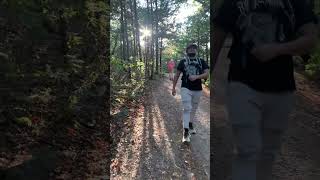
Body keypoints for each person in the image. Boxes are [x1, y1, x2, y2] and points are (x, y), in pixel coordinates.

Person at [213, 0, 318, 180]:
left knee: (268, 153)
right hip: (242, 83)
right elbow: (216, 39)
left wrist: (277, 50)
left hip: (282, 88)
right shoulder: (234, 2)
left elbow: (310, 39)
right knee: (247, 150)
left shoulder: (295, 3)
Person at [172, 43, 209, 142]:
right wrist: (173, 87)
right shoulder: (182, 61)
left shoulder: (201, 61)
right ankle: (186, 132)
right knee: (187, 108)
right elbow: (177, 75)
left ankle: (190, 123)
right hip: (186, 88)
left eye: (194, 49)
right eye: (190, 49)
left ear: (196, 51)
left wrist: (196, 77)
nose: (192, 50)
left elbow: (206, 74)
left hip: (198, 89)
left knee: (194, 108)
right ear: (187, 51)